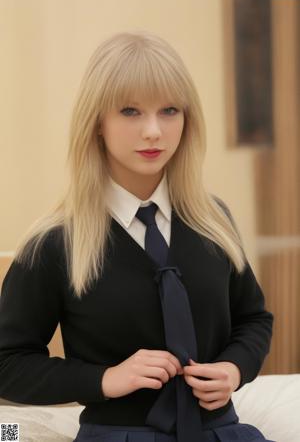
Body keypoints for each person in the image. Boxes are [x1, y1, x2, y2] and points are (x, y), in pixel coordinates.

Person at [0, 30, 275, 442]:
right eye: (130, 112)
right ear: (97, 122)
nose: (153, 131)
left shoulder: (213, 220)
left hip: (221, 433)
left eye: (169, 110)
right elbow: (8, 364)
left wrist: (234, 368)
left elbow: (253, 318)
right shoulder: (54, 243)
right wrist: (105, 379)